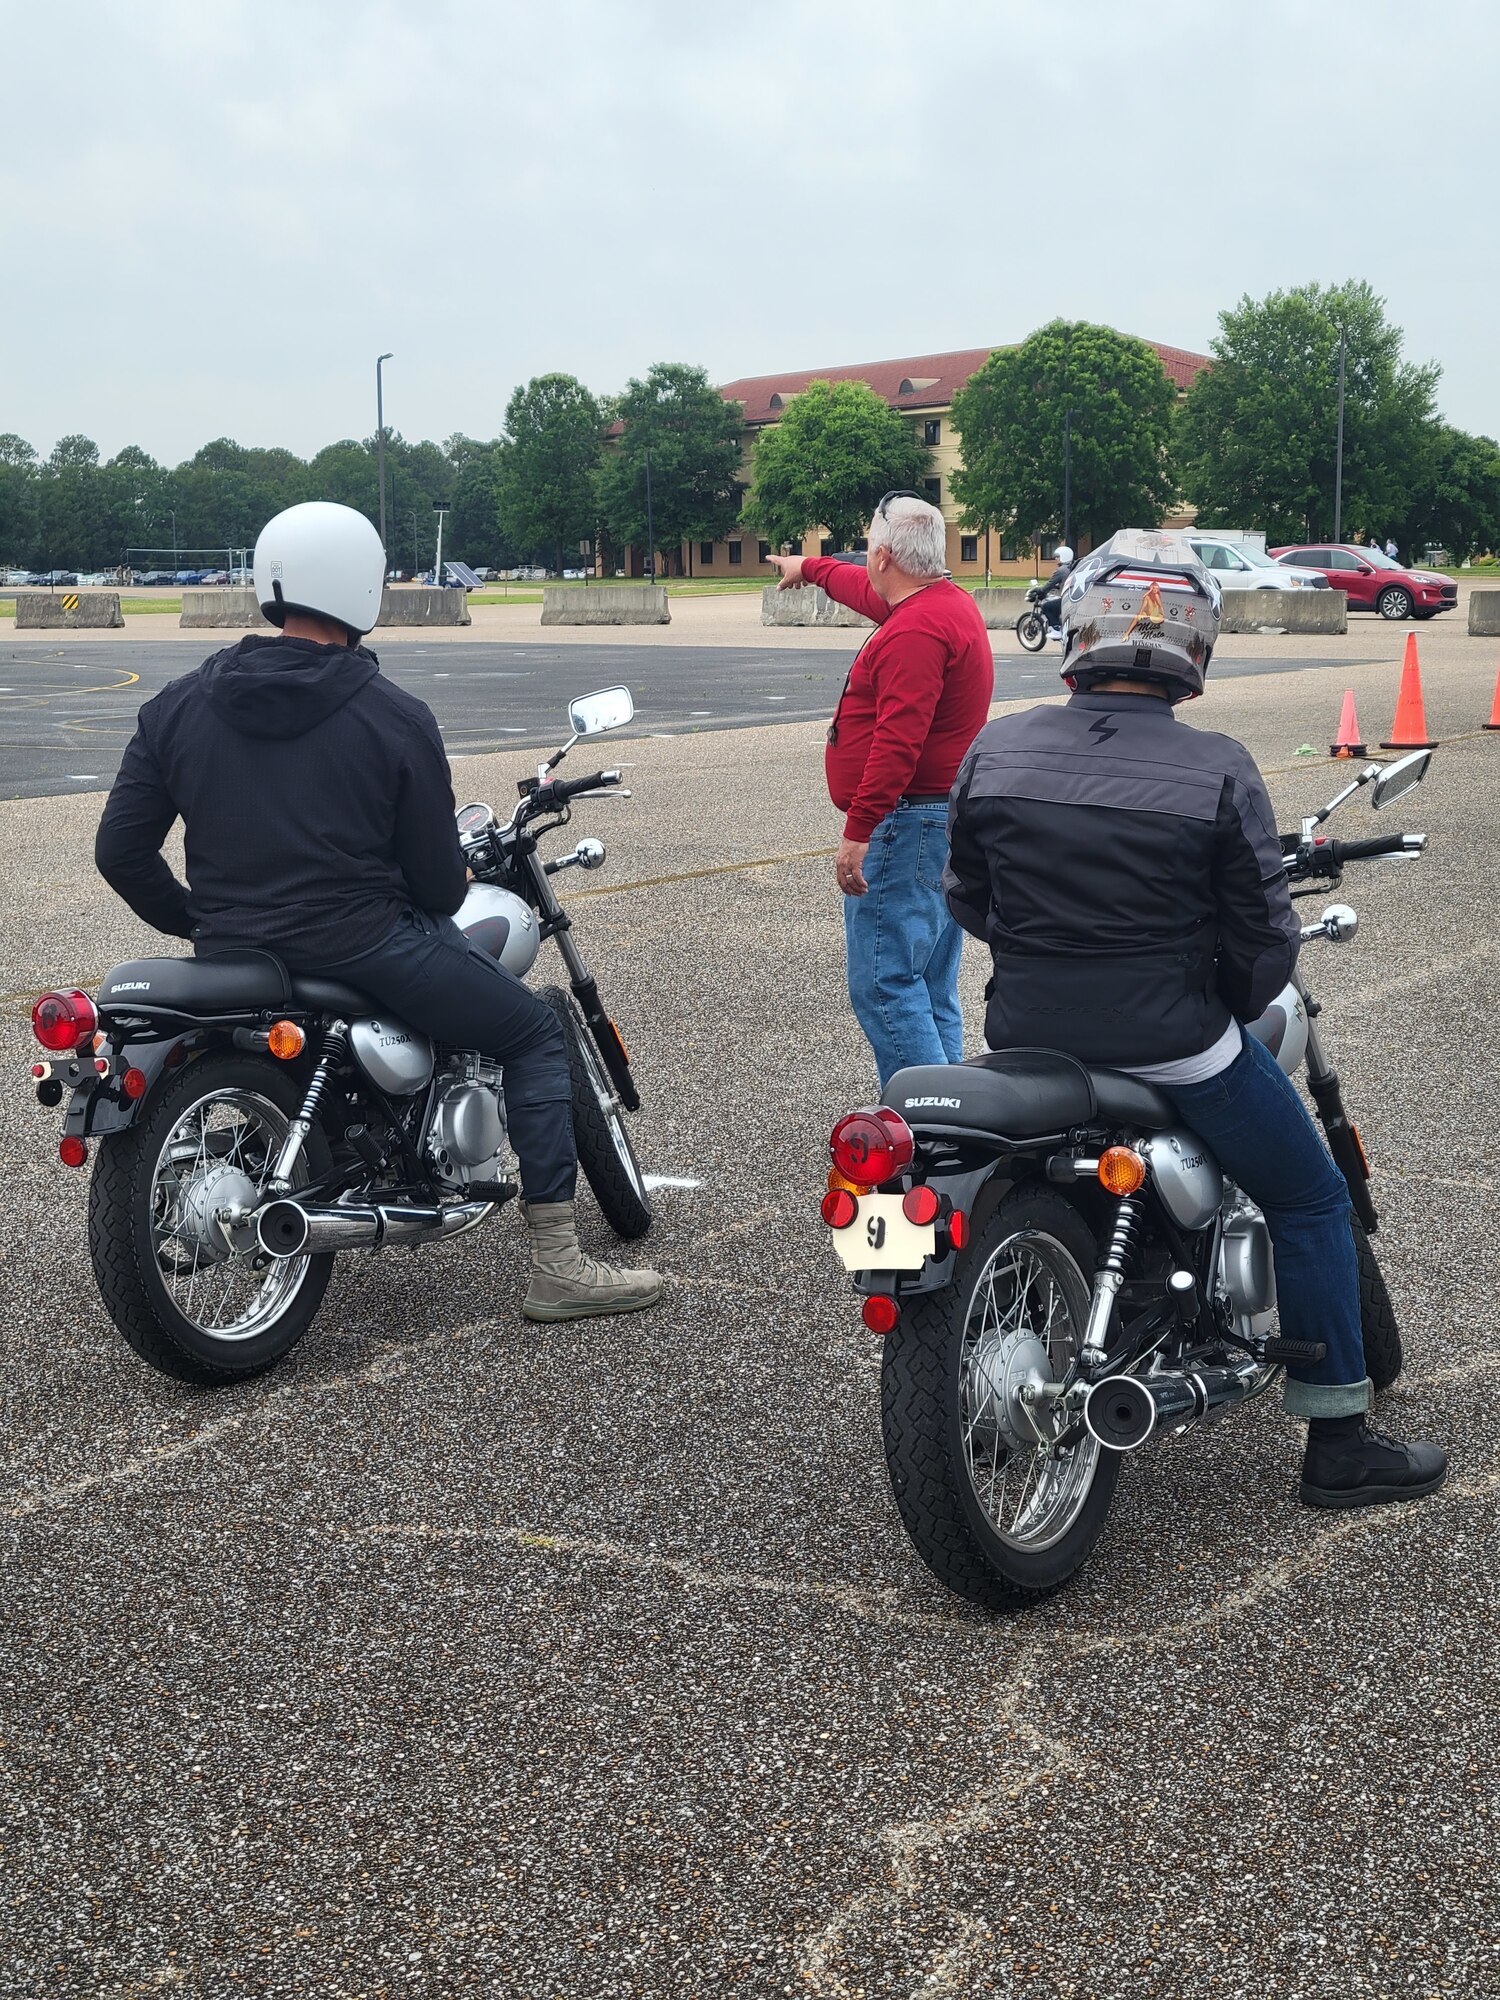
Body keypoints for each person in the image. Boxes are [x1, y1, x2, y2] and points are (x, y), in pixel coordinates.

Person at [943, 527, 1446, 1511]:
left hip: (1029, 1033)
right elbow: (1265, 942)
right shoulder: (1215, 766)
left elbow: (968, 894)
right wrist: (1218, 981)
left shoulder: (995, 744)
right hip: (1173, 1041)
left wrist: (1047, 949)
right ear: (1195, 648)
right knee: (1307, 1197)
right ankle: (1340, 1440)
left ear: (1079, 631)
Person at [94, 500, 660, 1326]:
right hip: (363, 947)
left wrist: (200, 923)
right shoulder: (393, 716)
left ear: (272, 582)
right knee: (534, 1032)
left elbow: (120, 851)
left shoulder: (177, 705)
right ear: (362, 587)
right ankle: (557, 1267)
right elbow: (436, 888)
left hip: (237, 954)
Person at [766, 493, 992, 1088]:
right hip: (941, 818)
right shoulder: (940, 604)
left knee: (886, 982)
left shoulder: (914, 632)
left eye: (868, 548)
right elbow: (865, 591)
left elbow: (899, 743)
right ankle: (958, 1115)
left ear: (884, 555)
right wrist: (809, 568)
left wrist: (859, 831)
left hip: (906, 824)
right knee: (930, 982)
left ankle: (933, 1127)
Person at [1037, 542, 1075, 633]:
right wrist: (1058, 586)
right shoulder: (1072, 567)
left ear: (1063, 556)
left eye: (1057, 557)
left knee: (1047, 606)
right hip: (1074, 598)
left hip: (1067, 600)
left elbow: (1049, 585)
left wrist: (1040, 591)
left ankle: (1056, 629)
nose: (1055, 559)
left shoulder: (1061, 570)